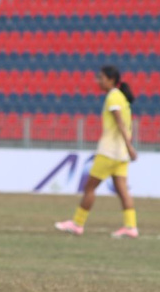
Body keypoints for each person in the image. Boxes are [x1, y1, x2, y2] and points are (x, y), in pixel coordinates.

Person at [55, 65, 139, 238]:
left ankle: (77, 223)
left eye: (101, 78)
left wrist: (130, 147)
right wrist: (128, 147)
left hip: (109, 152)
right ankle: (131, 226)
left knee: (89, 188)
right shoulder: (122, 97)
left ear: (110, 80)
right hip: (120, 154)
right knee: (122, 189)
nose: (98, 81)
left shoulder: (113, 97)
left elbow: (120, 123)